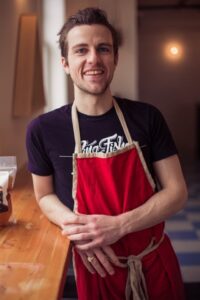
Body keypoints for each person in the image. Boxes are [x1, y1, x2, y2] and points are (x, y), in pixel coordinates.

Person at [26, 7, 188, 300]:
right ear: (64, 62)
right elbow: (44, 196)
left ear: (115, 57)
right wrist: (82, 233)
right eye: (81, 50)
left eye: (103, 48)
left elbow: (177, 192)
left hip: (153, 264)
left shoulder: (147, 117)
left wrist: (118, 226)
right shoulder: (43, 129)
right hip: (91, 269)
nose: (93, 59)